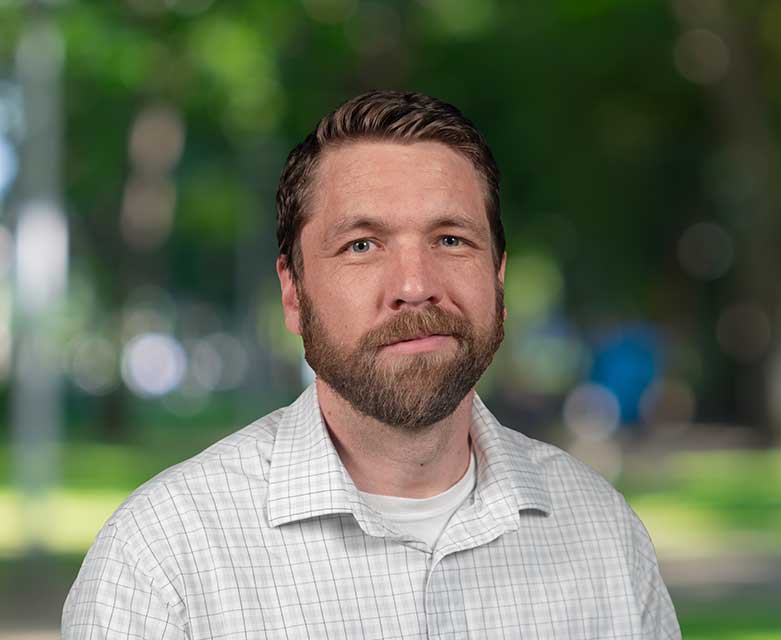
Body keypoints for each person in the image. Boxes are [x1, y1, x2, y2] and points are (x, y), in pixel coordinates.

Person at [62, 90, 681, 639]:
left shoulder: (604, 533)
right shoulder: (163, 559)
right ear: (292, 294)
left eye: (450, 239)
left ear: (498, 277)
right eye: (362, 245)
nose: (414, 285)